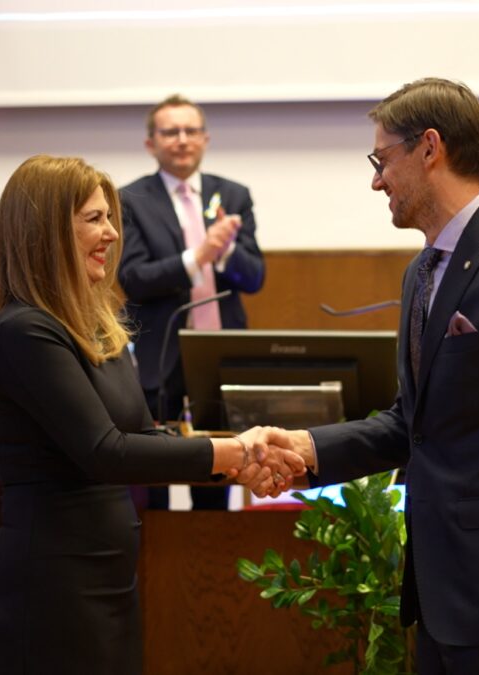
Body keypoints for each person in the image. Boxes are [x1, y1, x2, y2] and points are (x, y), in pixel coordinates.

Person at [255, 78, 479, 674]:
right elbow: (412, 425)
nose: (376, 181)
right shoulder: (422, 270)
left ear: (429, 147)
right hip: (440, 600)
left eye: (381, 160)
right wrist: (306, 447)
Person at [0, 155, 302, 674]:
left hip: (108, 575)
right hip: (53, 587)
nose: (111, 233)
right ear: (46, 232)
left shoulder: (95, 326)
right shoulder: (25, 331)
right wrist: (235, 451)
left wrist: (238, 466)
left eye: (110, 218)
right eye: (94, 219)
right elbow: (106, 452)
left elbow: (145, 437)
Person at [118, 94, 266, 510]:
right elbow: (132, 278)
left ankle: (211, 548)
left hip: (219, 351)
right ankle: (155, 550)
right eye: (170, 132)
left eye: (190, 131)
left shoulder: (232, 195)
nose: (182, 140)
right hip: (159, 352)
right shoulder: (130, 199)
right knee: (153, 474)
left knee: (219, 467)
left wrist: (224, 251)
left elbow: (255, 277)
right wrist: (197, 256)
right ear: (151, 143)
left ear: (205, 139)